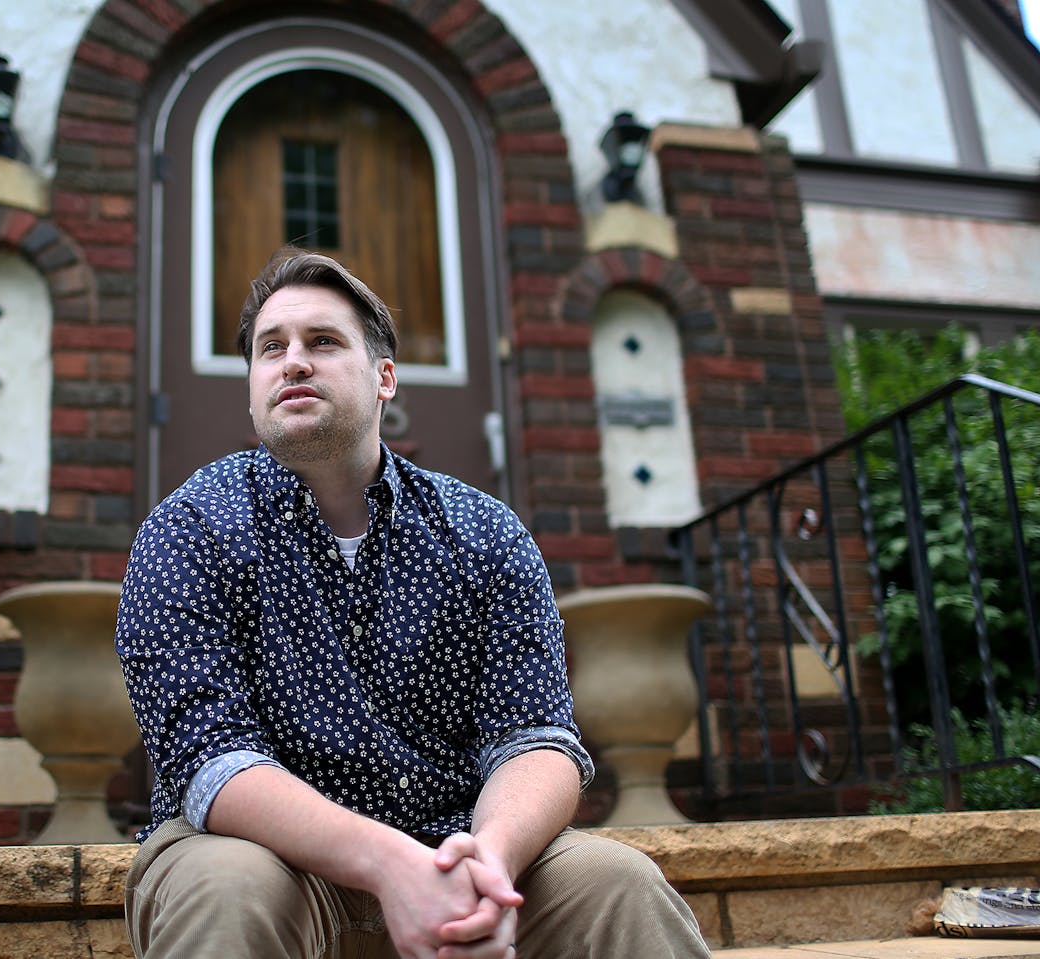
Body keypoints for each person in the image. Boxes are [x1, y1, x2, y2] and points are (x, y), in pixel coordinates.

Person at [114, 248, 711, 959]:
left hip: (452, 841)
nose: (293, 362)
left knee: (620, 884)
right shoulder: (189, 527)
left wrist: (488, 863)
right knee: (230, 888)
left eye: (323, 342)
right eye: (271, 349)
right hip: (260, 856)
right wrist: (388, 863)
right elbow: (209, 759)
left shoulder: (485, 533)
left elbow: (535, 738)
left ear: (385, 377)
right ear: (251, 388)